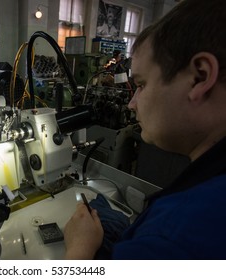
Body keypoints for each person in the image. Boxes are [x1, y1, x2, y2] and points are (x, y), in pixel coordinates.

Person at [64, 0, 226, 259]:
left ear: (200, 77)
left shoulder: (172, 238)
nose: (131, 103)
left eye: (141, 84)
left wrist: (79, 247)